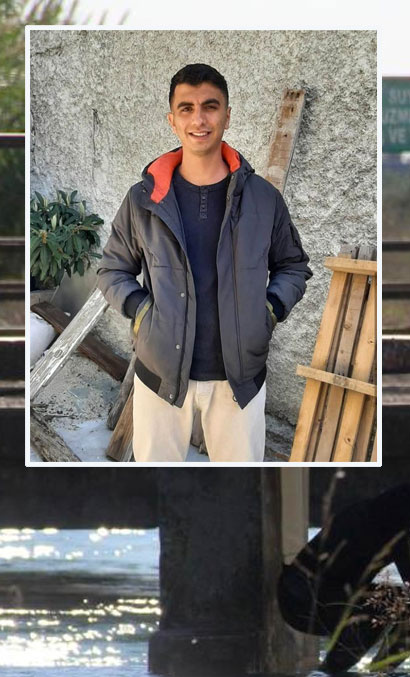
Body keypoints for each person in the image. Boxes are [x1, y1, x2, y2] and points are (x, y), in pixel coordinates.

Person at [97, 63, 312, 462]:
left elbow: (294, 266)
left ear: (227, 116)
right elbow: (112, 270)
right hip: (160, 375)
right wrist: (142, 313)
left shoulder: (264, 200)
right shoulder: (144, 200)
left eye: (211, 106)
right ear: (172, 120)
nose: (199, 119)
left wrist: (269, 311)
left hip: (239, 381)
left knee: (242, 497)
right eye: (187, 108)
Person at [277, 465, 410, 674]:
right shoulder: (403, 512)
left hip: (322, 592)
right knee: (406, 605)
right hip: (303, 599)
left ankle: (377, 674)